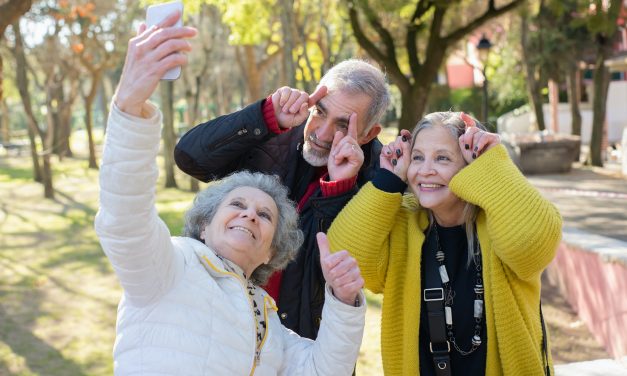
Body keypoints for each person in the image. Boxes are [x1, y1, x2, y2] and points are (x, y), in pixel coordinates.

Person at [95, 12, 367, 375]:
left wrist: (344, 301)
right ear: (204, 226)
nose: (250, 214)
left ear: (273, 251)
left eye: (265, 215)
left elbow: (324, 369)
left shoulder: (268, 324)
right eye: (237, 203)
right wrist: (129, 109)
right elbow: (124, 220)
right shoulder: (169, 268)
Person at [326, 111, 563, 375]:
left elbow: (530, 244)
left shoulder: (501, 220)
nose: (426, 170)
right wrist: (388, 180)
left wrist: (492, 164)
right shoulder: (404, 223)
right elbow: (343, 256)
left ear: (471, 165)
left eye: (442, 158)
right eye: (417, 157)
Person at [174, 56, 390, 339]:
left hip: (306, 346)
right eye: (320, 112)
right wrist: (265, 116)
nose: (322, 133)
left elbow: (331, 269)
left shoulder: (378, 181)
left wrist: (339, 187)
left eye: (341, 125)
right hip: (228, 328)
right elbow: (190, 158)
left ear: (368, 133)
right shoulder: (276, 133)